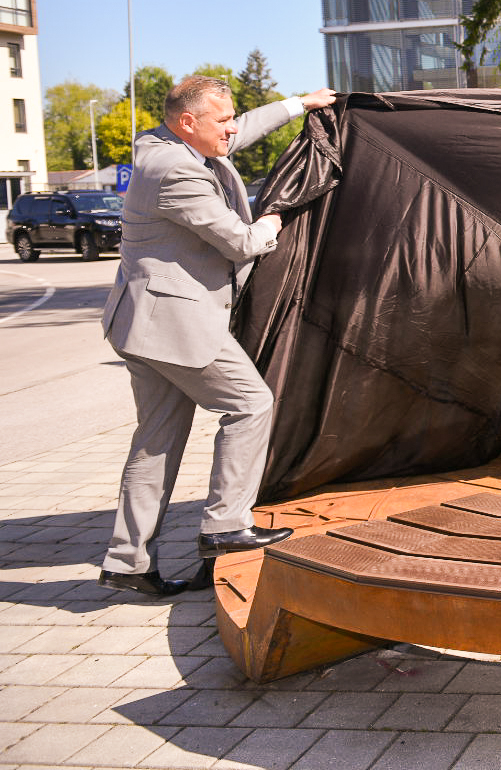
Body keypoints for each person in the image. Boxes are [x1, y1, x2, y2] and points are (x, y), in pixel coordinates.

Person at [98, 76, 338, 596]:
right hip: (173, 323)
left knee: (156, 442)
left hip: (140, 321)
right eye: (222, 119)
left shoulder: (166, 142)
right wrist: (279, 216)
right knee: (251, 404)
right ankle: (226, 525)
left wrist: (301, 104)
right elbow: (241, 242)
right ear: (189, 123)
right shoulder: (176, 171)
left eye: (233, 116)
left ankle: (128, 562)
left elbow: (240, 132)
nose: (232, 127)